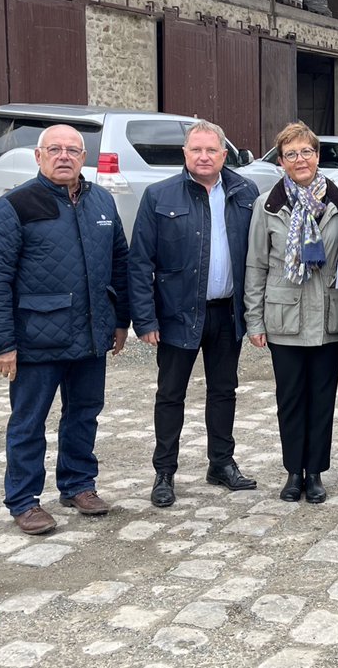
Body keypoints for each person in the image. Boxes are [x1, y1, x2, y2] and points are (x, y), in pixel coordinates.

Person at [0, 124, 129, 535]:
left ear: (84, 157)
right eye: (55, 149)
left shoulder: (101, 202)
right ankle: (24, 500)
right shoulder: (16, 206)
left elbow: (120, 263)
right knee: (29, 422)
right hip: (36, 338)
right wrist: (2, 344)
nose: (64, 156)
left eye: (73, 150)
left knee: (84, 414)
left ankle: (78, 484)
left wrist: (119, 321)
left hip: (92, 336)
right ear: (39, 157)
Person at [129, 120, 259, 508]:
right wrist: (145, 319)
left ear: (224, 154)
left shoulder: (244, 192)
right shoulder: (159, 195)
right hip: (175, 314)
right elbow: (139, 263)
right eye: (196, 150)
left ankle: (221, 463)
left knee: (224, 391)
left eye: (211, 150)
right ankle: (164, 472)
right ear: (184, 154)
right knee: (171, 394)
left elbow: (256, 257)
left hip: (227, 313)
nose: (204, 157)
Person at [244, 122, 338, 504]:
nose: (300, 159)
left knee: (322, 398)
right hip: (284, 318)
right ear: (281, 161)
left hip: (328, 318)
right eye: (291, 154)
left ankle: (316, 471)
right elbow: (256, 265)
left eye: (306, 152)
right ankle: (292, 472)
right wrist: (254, 320)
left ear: (317, 156)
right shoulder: (267, 204)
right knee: (289, 398)